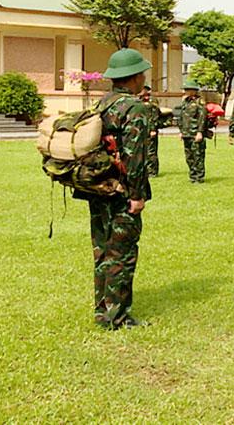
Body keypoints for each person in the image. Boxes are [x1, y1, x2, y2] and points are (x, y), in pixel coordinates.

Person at [86, 48, 154, 329]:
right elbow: (135, 157)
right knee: (122, 254)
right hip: (122, 192)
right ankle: (116, 317)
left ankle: (103, 309)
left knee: (102, 250)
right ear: (135, 76)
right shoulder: (134, 108)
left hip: (99, 187)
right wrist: (137, 196)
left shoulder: (102, 104)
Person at [177, 79, 209, 183]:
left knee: (198, 156)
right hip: (186, 133)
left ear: (193, 90)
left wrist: (200, 132)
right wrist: (181, 131)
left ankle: (199, 177)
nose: (185, 91)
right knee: (189, 156)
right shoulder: (185, 102)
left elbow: (202, 118)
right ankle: (192, 175)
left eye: (187, 89)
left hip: (195, 133)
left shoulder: (200, 102)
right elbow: (181, 117)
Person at [138, 85, 163, 177]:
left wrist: (153, 129)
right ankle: (145, 170)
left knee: (151, 151)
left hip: (150, 129)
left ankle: (152, 171)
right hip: (141, 130)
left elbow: (154, 116)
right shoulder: (139, 100)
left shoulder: (152, 101)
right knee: (143, 151)